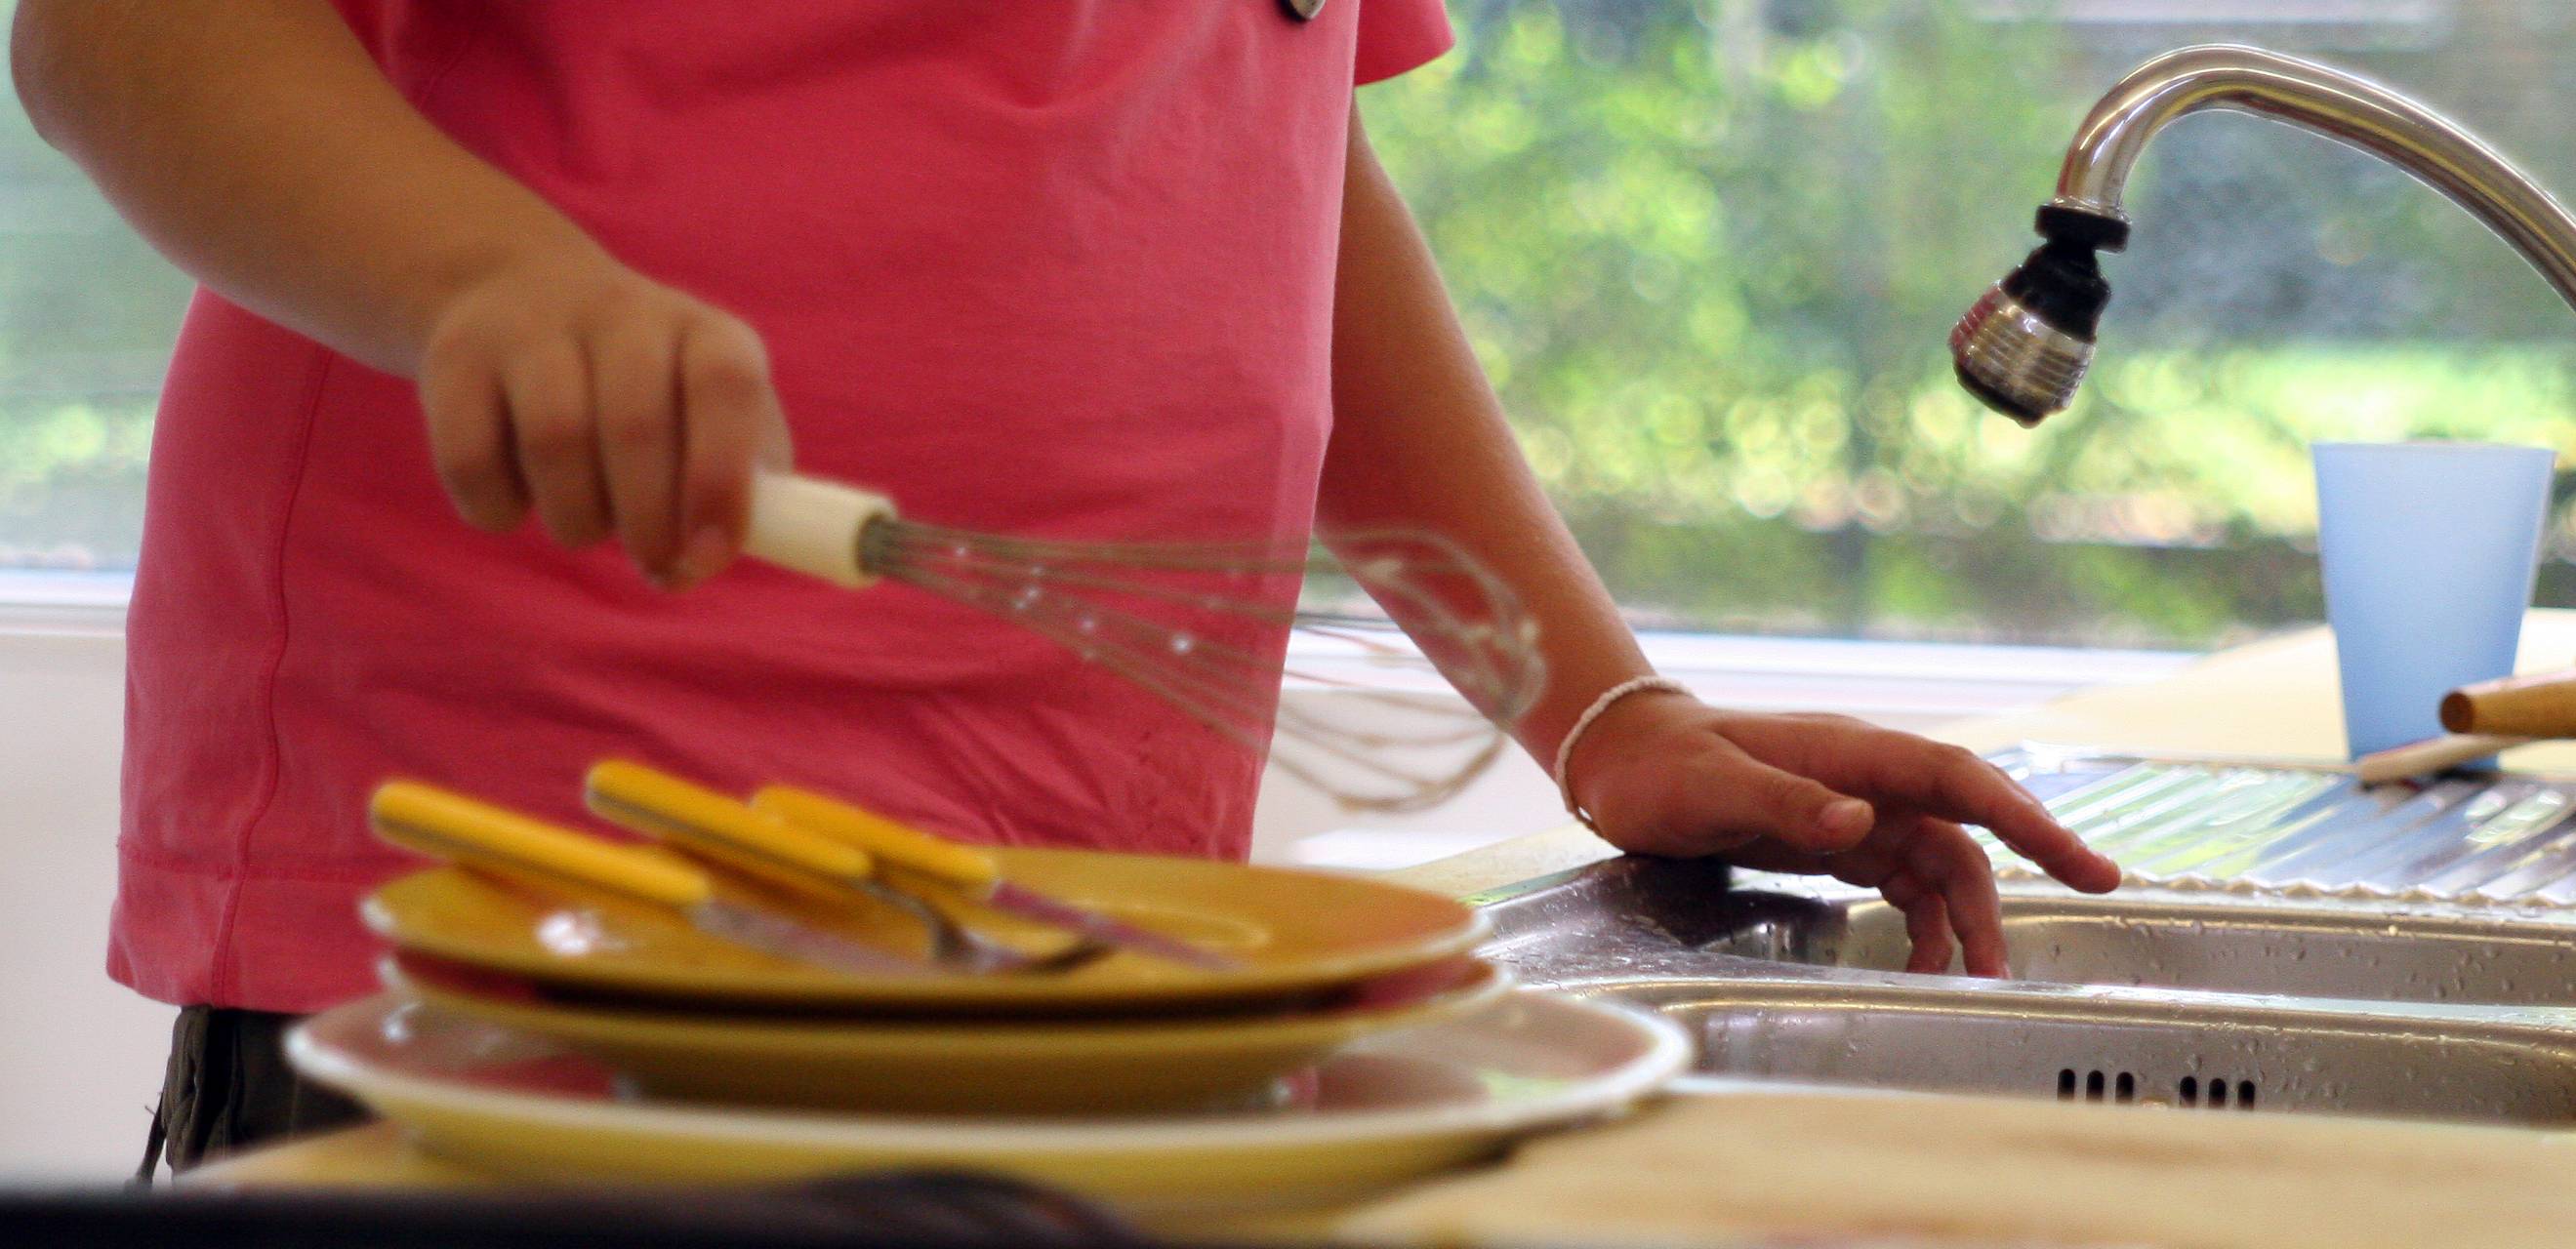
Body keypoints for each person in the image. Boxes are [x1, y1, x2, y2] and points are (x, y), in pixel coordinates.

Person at [16, 0, 2122, 1175]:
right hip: (540, 892)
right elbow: (126, 29)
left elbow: (1262, 143)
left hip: (1078, 927)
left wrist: (1597, 705)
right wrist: (489, 277)